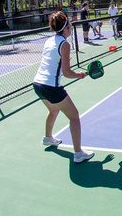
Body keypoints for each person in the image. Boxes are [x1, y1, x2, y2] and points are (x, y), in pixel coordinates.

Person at [32, 11, 94, 163]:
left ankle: (48, 138)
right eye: (70, 25)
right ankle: (78, 153)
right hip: (50, 87)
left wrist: (65, 60)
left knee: (53, 110)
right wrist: (79, 75)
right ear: (65, 28)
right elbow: (66, 73)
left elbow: (52, 61)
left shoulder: (50, 41)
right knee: (74, 116)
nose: (72, 28)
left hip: (37, 84)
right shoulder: (65, 44)